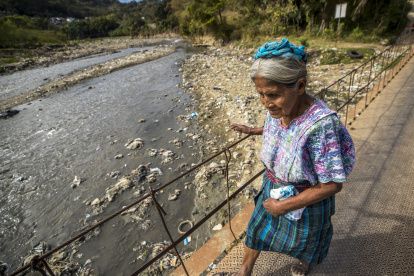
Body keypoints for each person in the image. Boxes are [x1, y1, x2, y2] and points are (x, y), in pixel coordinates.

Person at [229, 38, 355, 276]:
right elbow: (285, 132)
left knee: (304, 241)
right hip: (273, 186)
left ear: (300, 86)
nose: (266, 103)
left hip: (307, 195)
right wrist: (256, 130)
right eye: (261, 94)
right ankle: (244, 270)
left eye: (272, 95)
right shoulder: (280, 107)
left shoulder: (321, 125)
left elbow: (331, 185)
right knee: (256, 229)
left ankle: (302, 261)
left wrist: (284, 206)